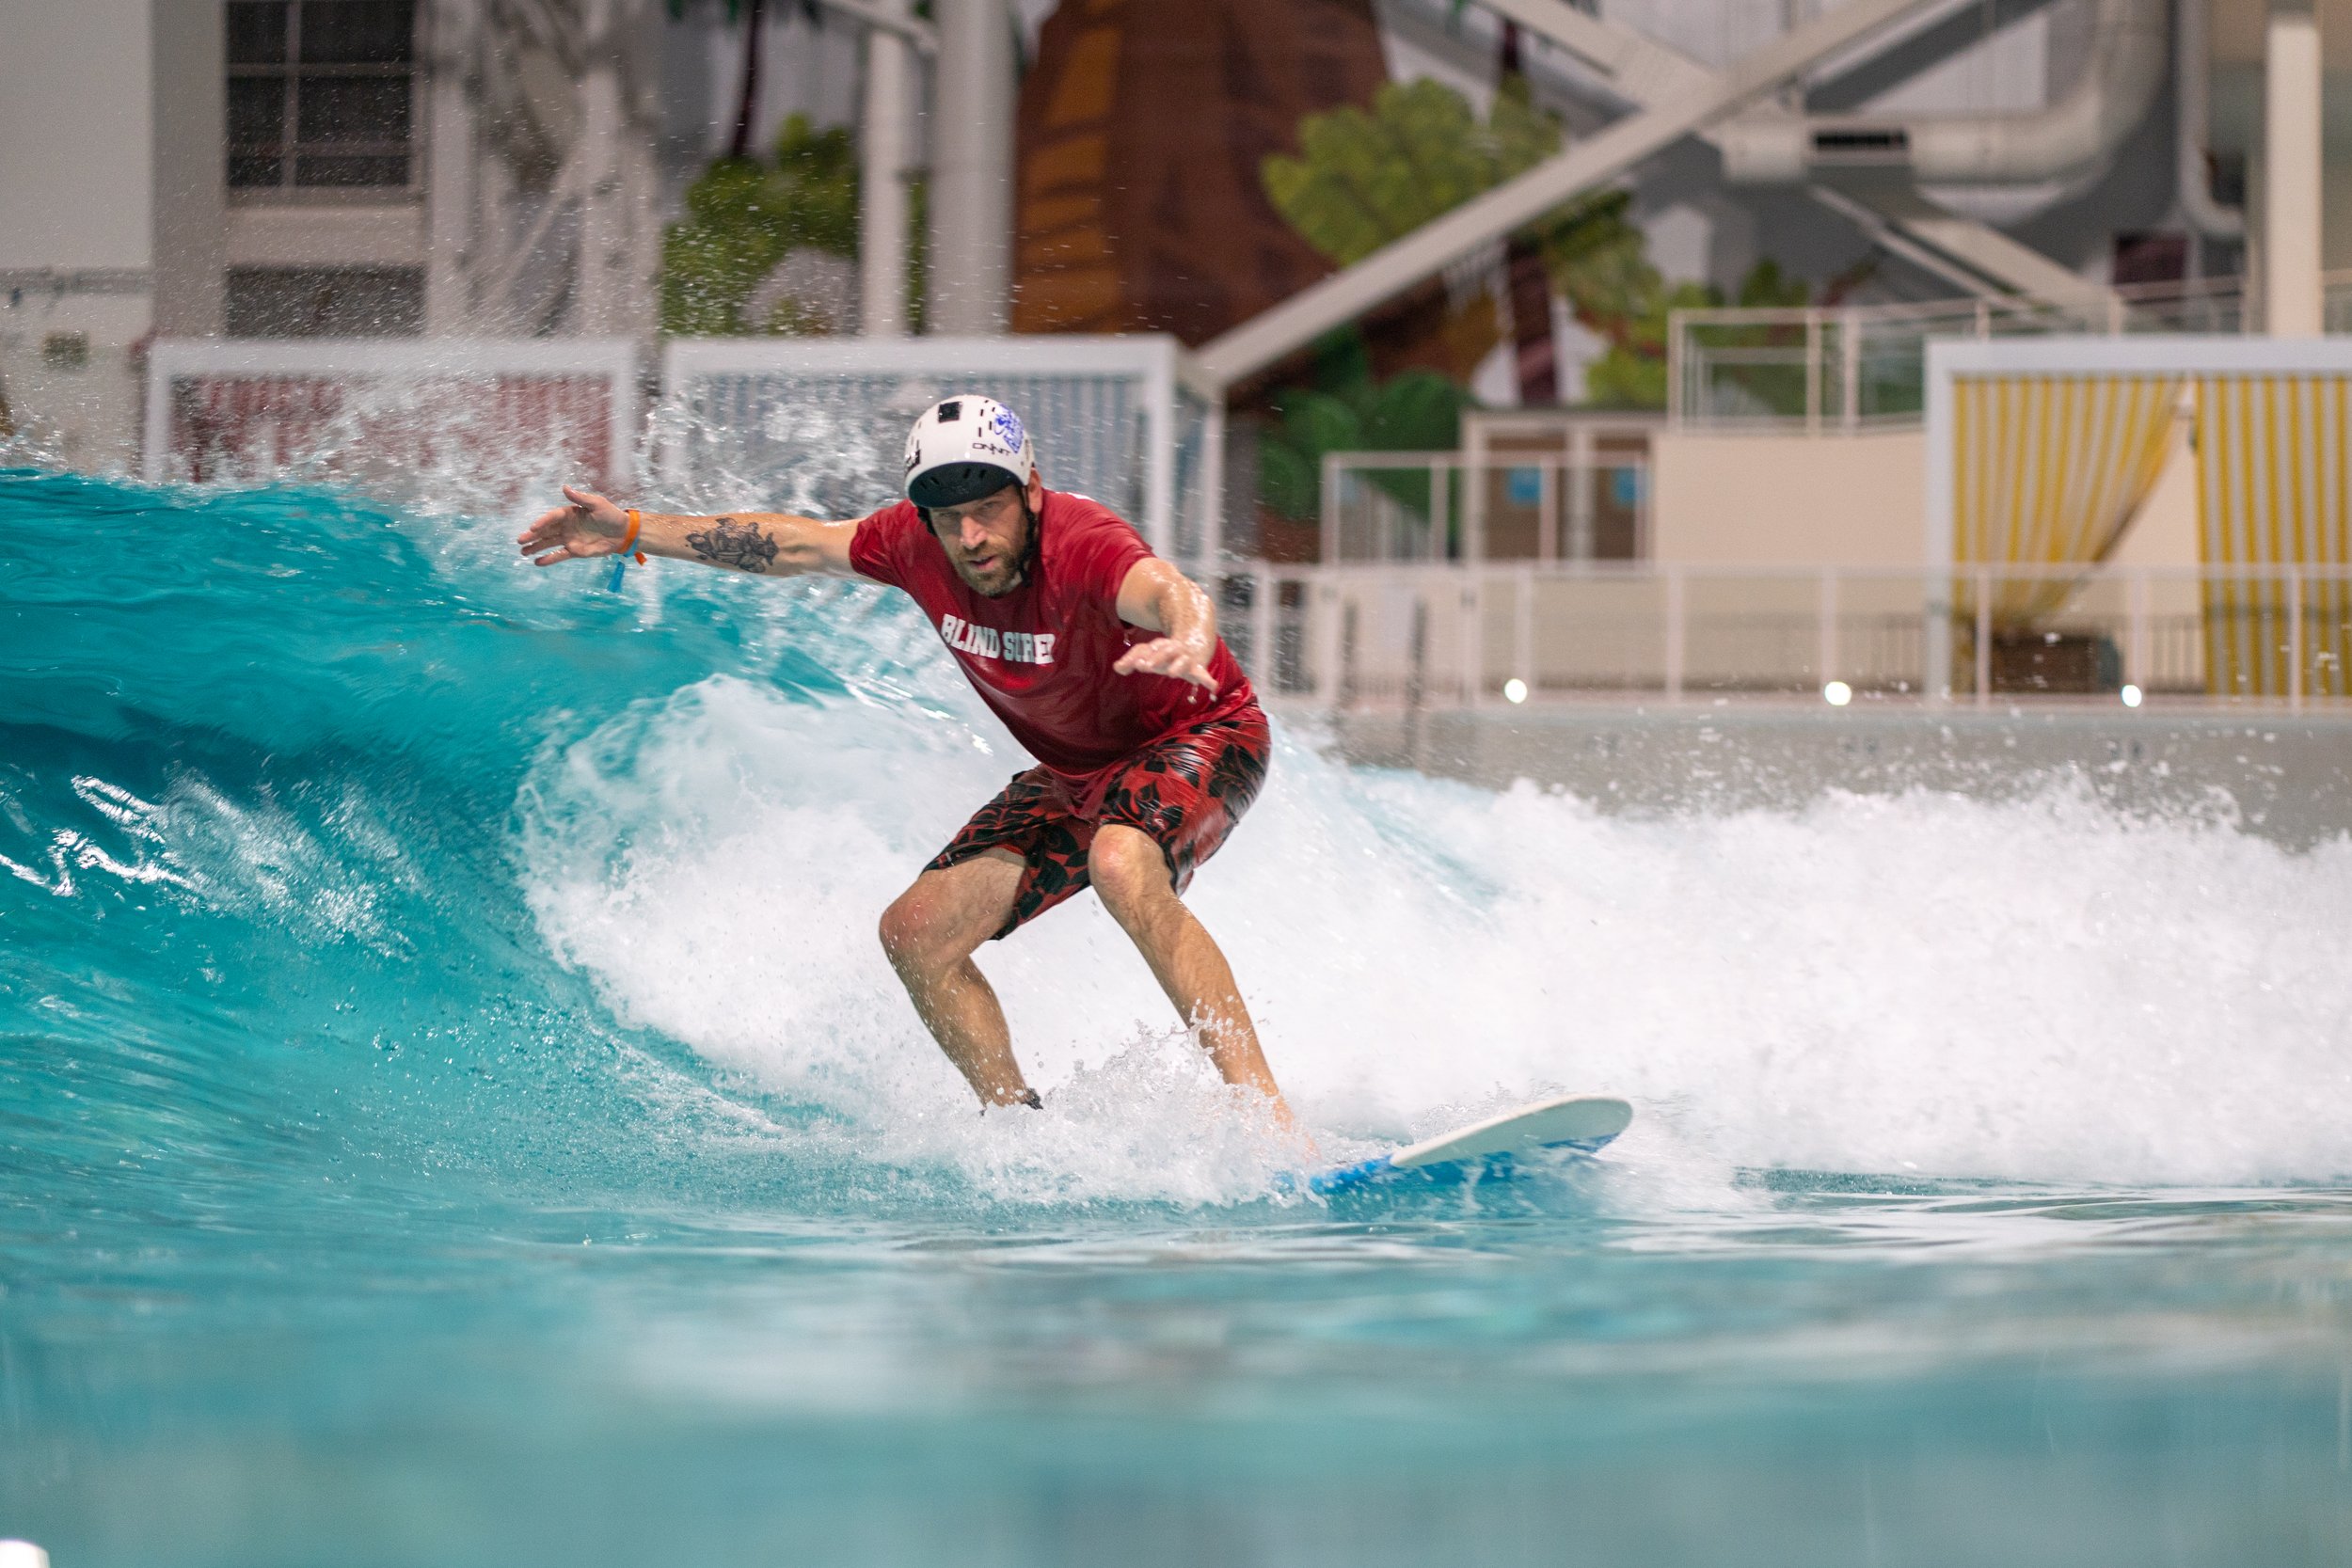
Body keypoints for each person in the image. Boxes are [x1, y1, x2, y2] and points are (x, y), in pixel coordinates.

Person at [518, 396, 1299, 1133]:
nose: (970, 538)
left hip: (1206, 732)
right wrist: (632, 531)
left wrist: (1192, 635)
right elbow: (790, 543)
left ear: (1029, 491)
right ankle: (1018, 1132)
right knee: (915, 933)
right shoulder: (913, 544)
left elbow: (1170, 589)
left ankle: (1268, 1127)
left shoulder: (1084, 543)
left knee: (1121, 861)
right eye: (949, 517)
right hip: (1077, 774)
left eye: (987, 510)